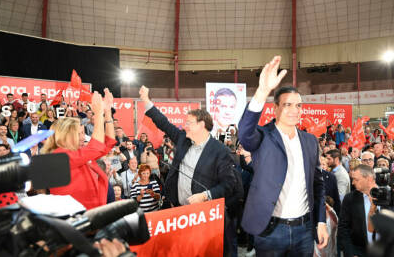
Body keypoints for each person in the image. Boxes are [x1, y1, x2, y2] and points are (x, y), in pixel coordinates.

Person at [238, 56, 328, 256]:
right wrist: (262, 91)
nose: (294, 110)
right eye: (287, 105)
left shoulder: (310, 141)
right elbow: (244, 134)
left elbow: (318, 185)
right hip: (270, 231)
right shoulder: (263, 136)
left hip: (305, 230)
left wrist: (321, 221)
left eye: (298, 105)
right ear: (275, 108)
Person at [139, 85, 239, 256]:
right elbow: (164, 123)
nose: (185, 126)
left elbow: (229, 184)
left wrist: (205, 195)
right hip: (179, 211)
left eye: (189, 123)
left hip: (204, 216)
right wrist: (146, 101)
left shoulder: (220, 151)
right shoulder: (183, 140)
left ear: (202, 125)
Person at [41, 89, 116, 210]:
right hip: (74, 220)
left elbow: (108, 142)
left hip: (91, 216)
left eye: (83, 133)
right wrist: (98, 113)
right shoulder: (58, 156)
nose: (83, 137)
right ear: (67, 134)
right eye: (79, 133)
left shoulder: (78, 153)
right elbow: (96, 147)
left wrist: (107, 112)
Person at [338, 164, 378, 257]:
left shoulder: (389, 196)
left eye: (356, 179)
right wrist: (351, 253)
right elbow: (343, 228)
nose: (352, 183)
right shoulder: (350, 198)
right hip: (359, 252)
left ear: (369, 179)